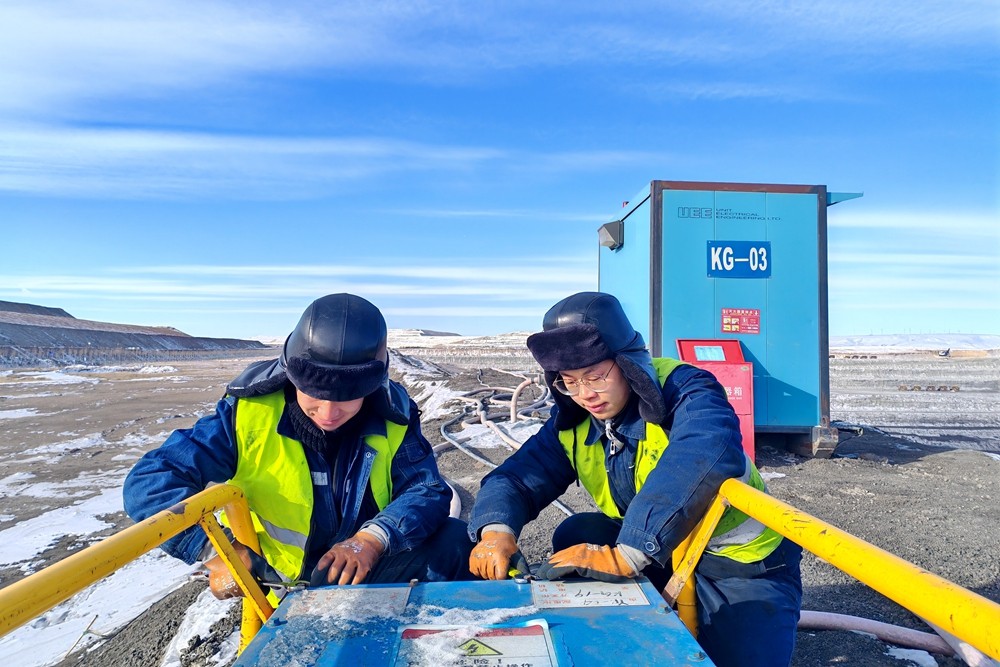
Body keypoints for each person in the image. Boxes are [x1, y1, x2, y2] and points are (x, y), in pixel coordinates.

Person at [467, 292, 802, 667]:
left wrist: (628, 554)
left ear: (628, 364)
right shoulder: (576, 421)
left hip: (738, 567)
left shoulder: (687, 391)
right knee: (580, 534)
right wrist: (495, 530)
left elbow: (702, 454)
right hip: (663, 551)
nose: (585, 395)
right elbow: (516, 477)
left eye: (595, 376)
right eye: (569, 382)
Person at [124, 293, 472, 601]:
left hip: (367, 570)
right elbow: (150, 482)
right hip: (285, 587)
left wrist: (371, 540)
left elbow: (427, 490)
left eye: (348, 398)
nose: (329, 412)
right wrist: (218, 550)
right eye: (316, 395)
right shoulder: (246, 415)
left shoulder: (392, 416)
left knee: (456, 540)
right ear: (292, 374)